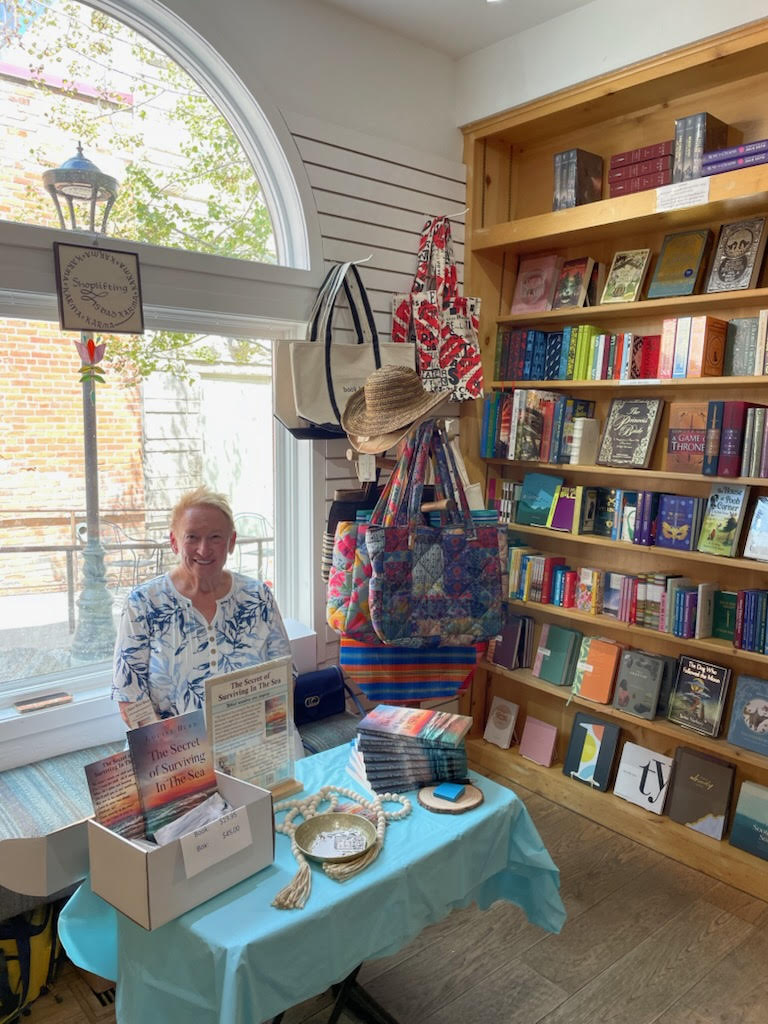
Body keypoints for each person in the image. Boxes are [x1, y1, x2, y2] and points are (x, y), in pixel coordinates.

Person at [113, 486, 292, 724]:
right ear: (174, 542)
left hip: (253, 738)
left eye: (215, 537)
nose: (204, 549)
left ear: (231, 542)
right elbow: (129, 697)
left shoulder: (258, 596)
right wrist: (181, 754)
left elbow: (284, 676)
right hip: (171, 751)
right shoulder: (143, 604)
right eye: (192, 537)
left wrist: (260, 735)